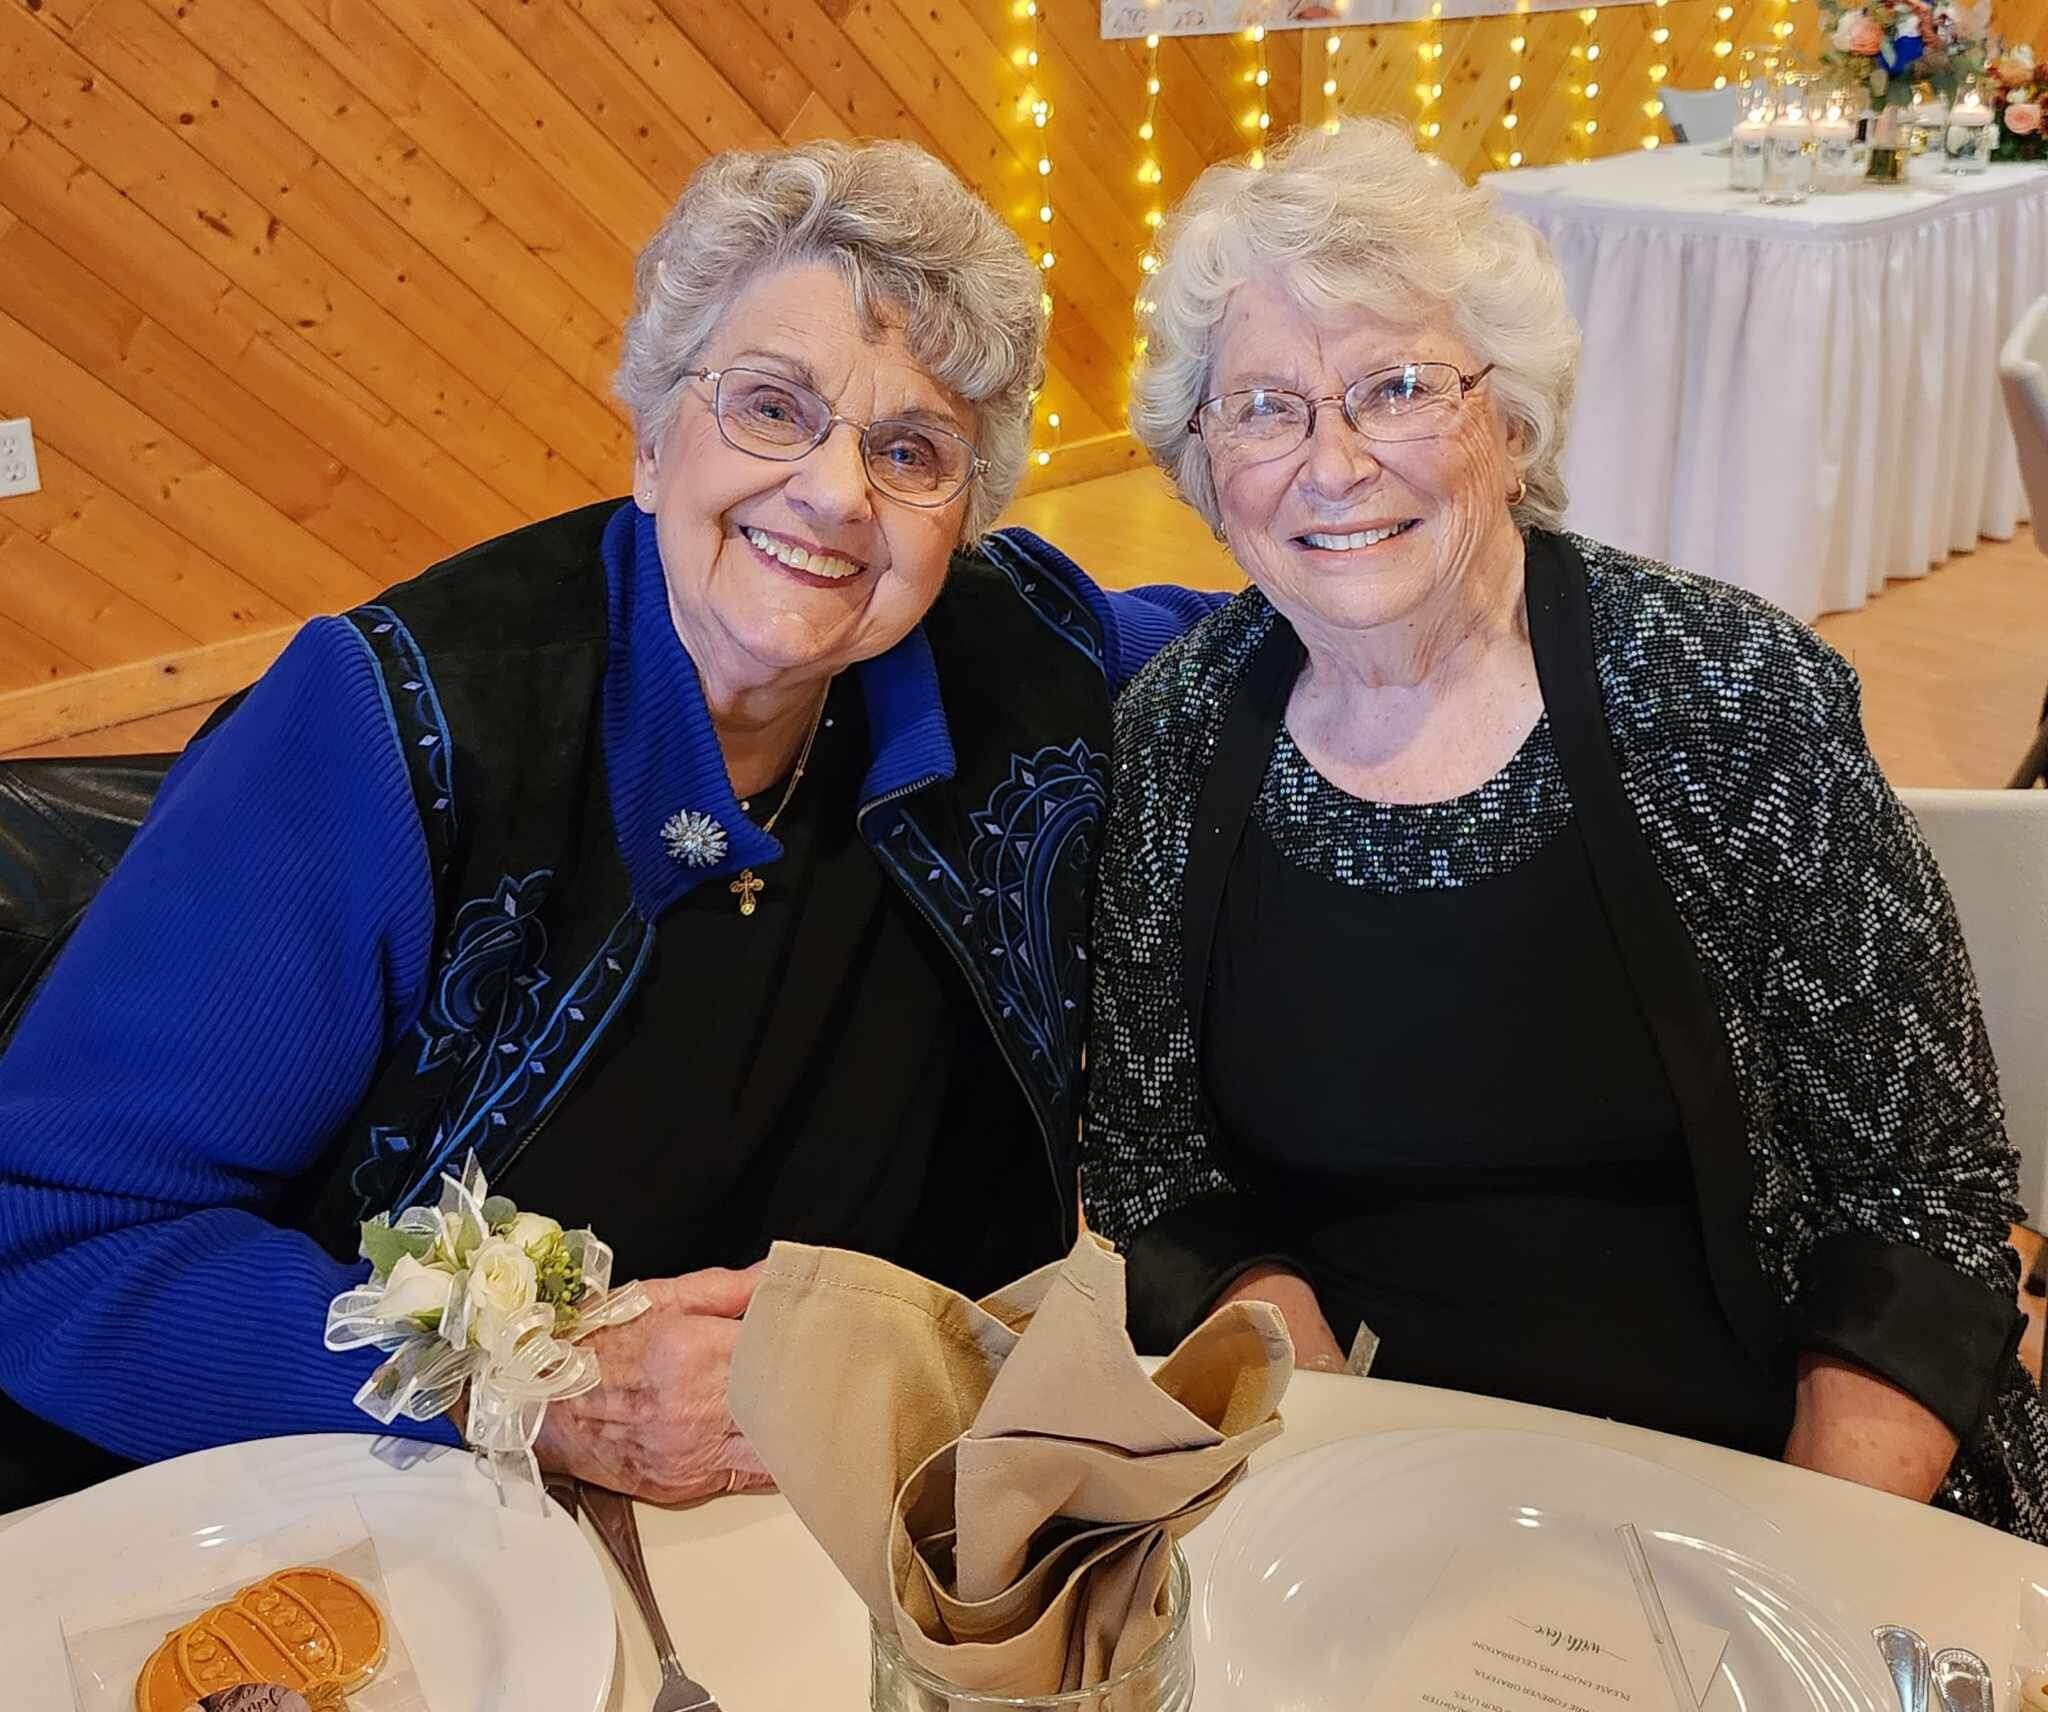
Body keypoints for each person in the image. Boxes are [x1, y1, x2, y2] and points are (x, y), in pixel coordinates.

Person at [0, 139, 1214, 1509]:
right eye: (772, 407)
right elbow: (48, 1235)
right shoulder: (384, 730)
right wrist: (533, 1391)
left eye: (909, 450)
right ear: (649, 440)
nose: (835, 493)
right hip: (424, 1533)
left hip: (877, 1521)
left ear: (966, 516)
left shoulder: (1024, 649)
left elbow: (1289, 654)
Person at [1079, 120, 2048, 1538]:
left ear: (1514, 424)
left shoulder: (1725, 696)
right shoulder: (1175, 733)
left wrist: (1801, 1572)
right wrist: (1320, 1433)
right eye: (1266, 408)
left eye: (1398, 389)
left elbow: (1923, 1196)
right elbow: (1156, 1170)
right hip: (1368, 1473)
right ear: (1203, 463)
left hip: (1766, 1467)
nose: (1333, 464)